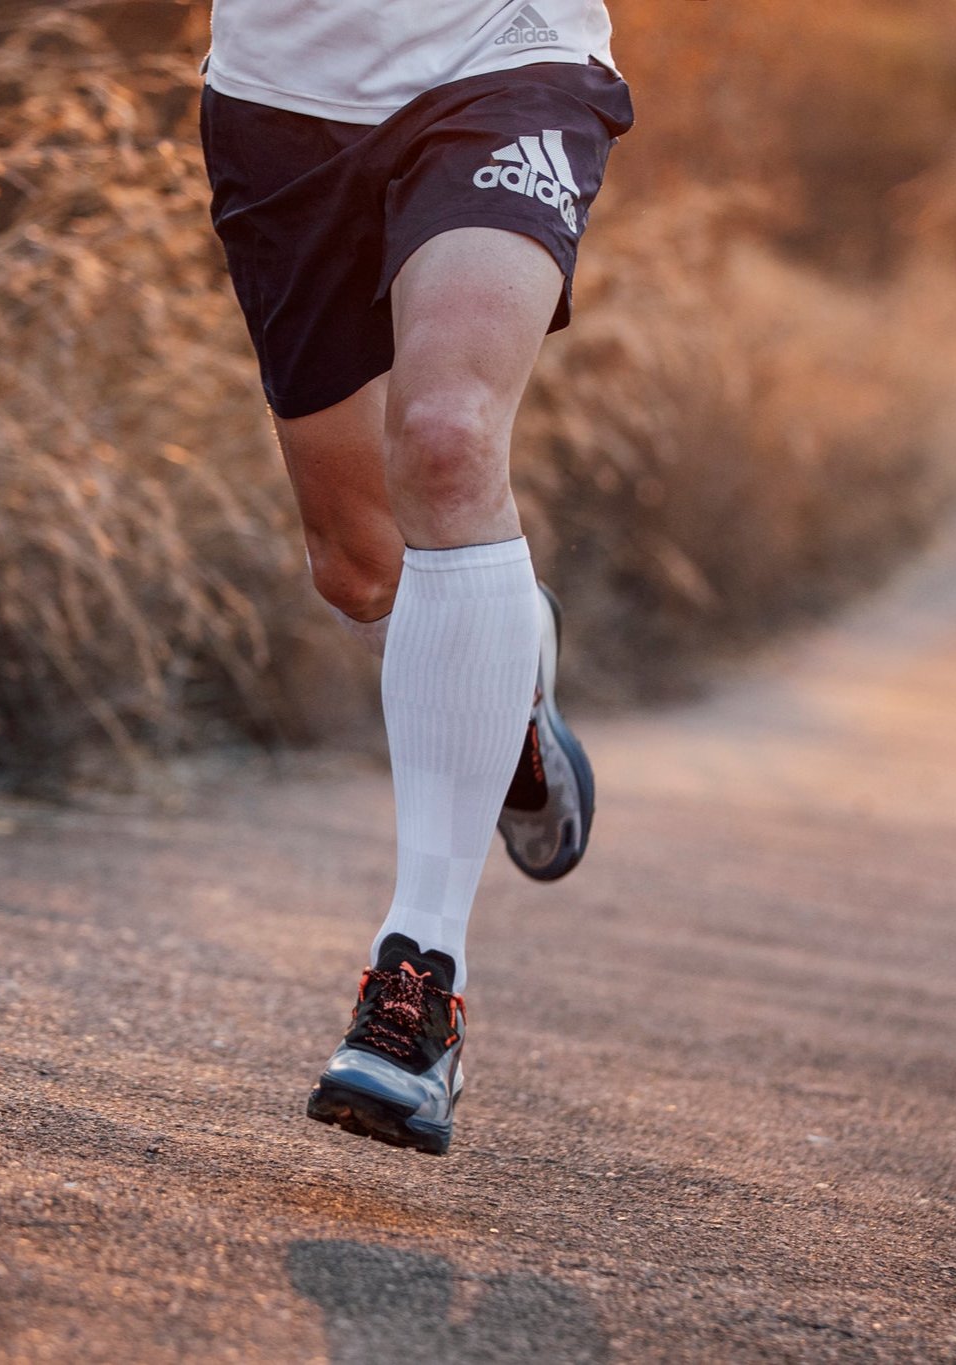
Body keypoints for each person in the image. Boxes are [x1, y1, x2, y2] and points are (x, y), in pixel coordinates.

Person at [198, 0, 632, 1155]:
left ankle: (419, 984)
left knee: (446, 439)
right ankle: (511, 693)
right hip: (281, 103)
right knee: (360, 567)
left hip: (506, 59)